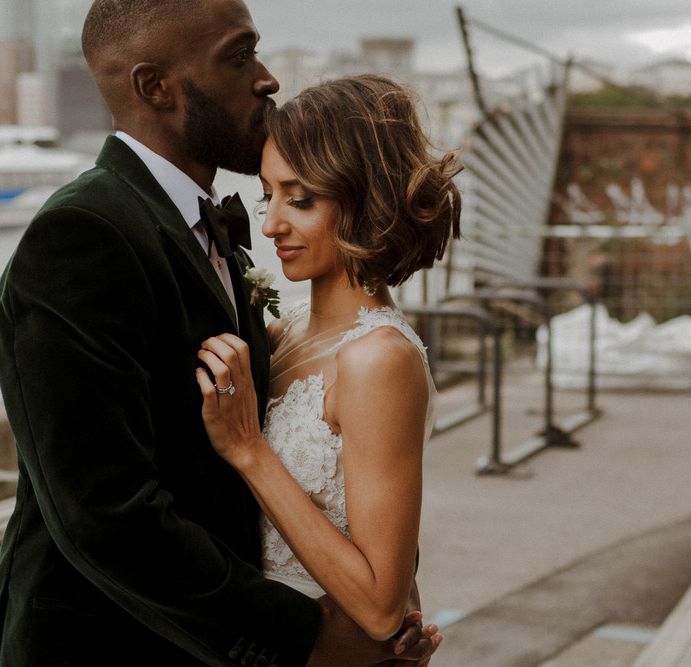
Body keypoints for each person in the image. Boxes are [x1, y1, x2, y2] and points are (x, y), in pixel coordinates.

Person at [0, 1, 438, 664]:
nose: (266, 78)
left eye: (300, 196)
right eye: (239, 55)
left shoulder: (216, 244)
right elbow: (104, 511)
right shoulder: (82, 234)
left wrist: (385, 608)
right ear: (156, 86)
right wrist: (315, 640)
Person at [196, 74, 461, 650]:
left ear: (365, 197)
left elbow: (380, 607)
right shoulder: (281, 331)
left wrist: (248, 450)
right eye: (270, 196)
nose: (270, 225)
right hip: (261, 646)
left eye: (302, 199)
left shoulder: (378, 360)